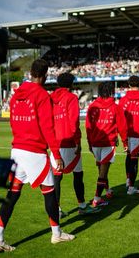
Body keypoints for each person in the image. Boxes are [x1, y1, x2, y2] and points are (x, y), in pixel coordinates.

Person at [0, 59, 75, 254]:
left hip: (17, 150)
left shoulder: (16, 95)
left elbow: (13, 122)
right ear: (44, 75)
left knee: (12, 195)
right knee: (50, 192)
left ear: (30, 74)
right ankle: (56, 233)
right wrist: (56, 154)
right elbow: (48, 128)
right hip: (34, 152)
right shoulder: (42, 95)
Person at [50, 72, 99, 216]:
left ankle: (56, 209)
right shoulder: (71, 97)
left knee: (56, 177)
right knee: (78, 174)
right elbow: (74, 122)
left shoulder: (50, 98)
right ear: (71, 84)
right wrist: (78, 141)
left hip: (55, 143)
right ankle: (82, 206)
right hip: (69, 142)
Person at [86, 82, 128, 206]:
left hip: (95, 143)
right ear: (111, 91)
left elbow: (88, 127)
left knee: (102, 170)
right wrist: (125, 142)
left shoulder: (92, 106)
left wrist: (89, 143)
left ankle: (107, 191)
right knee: (103, 171)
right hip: (108, 143)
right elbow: (122, 126)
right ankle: (97, 199)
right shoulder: (115, 107)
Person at [118, 75, 139, 195]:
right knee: (134, 160)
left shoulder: (123, 100)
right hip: (137, 134)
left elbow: (118, 118)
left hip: (125, 133)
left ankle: (128, 180)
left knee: (128, 157)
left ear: (128, 85)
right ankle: (131, 187)